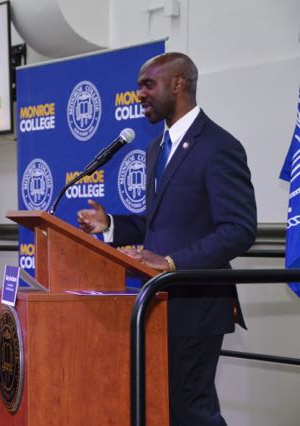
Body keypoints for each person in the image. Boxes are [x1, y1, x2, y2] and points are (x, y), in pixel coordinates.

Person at [77, 52, 257, 426]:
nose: (139, 93)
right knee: (163, 408)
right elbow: (157, 224)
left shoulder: (219, 146)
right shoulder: (155, 149)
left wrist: (173, 263)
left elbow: (239, 229)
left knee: (191, 408)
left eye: (148, 84)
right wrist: (109, 224)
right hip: (160, 302)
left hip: (198, 304)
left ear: (178, 84)